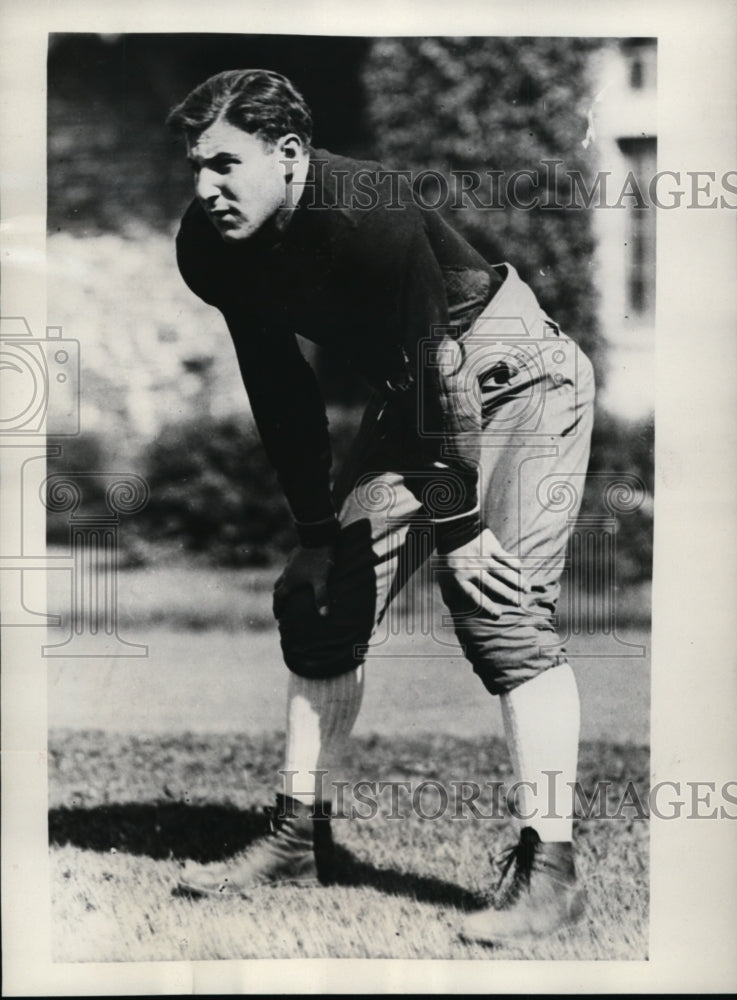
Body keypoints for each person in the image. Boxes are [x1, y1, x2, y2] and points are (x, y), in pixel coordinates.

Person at [166, 68, 595, 944]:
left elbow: (446, 371)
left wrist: (462, 527)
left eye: (222, 164)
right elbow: (278, 384)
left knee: (498, 609)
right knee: (318, 600)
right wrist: (318, 534)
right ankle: (296, 839)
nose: (204, 188)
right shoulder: (213, 245)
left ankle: (551, 872)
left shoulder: (369, 209)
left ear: (289, 154)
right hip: (420, 389)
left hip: (513, 373)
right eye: (195, 168)